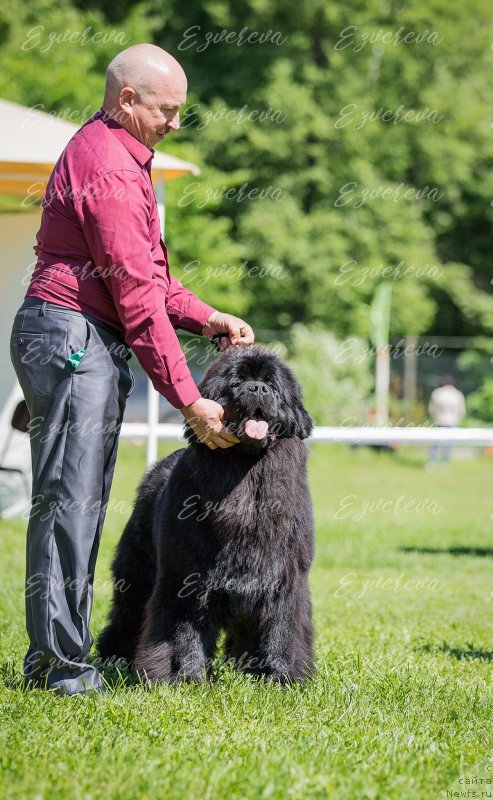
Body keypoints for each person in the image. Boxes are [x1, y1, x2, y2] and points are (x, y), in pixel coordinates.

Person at [9, 44, 254, 696]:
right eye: (166, 110)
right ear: (126, 99)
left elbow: (153, 283)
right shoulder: (112, 170)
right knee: (70, 506)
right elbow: (138, 300)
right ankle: (61, 670)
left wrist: (207, 317)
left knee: (76, 503)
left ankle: (52, 658)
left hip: (76, 337)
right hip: (71, 340)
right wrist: (189, 400)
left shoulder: (115, 153)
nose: (175, 122)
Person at [427, 376, 466, 468]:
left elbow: (431, 409)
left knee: (435, 443)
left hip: (439, 420)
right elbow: (461, 411)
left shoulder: (437, 393)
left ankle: (431, 462)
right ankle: (445, 463)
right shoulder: (458, 394)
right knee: (448, 444)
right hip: (453, 421)